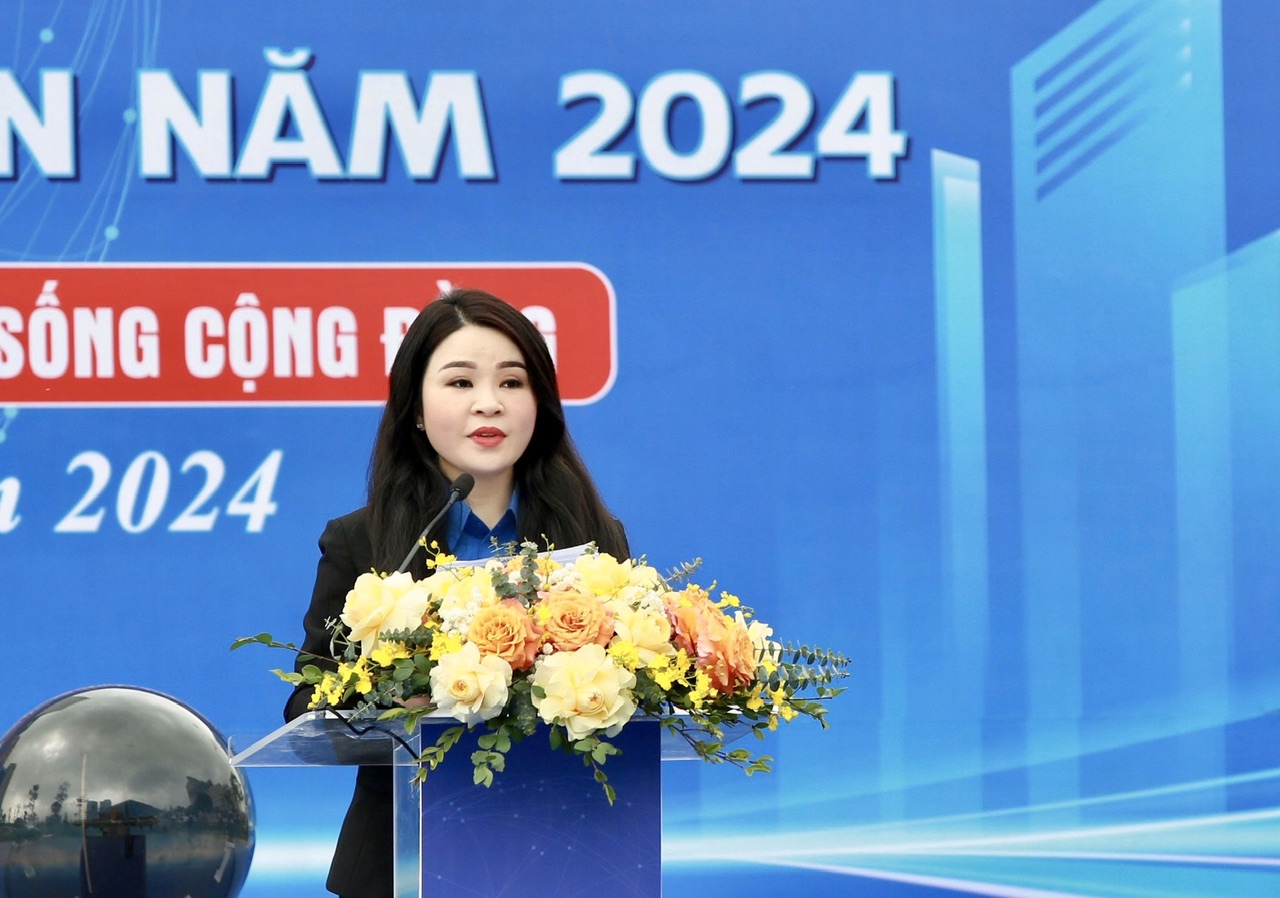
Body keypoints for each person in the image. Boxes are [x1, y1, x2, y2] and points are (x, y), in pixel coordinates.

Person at [283, 288, 629, 898]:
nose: (488, 403)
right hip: (400, 864)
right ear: (415, 409)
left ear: (540, 405)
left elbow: (641, 682)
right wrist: (396, 700)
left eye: (512, 382)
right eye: (461, 382)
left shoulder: (594, 537)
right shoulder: (362, 542)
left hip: (565, 851)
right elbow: (307, 706)